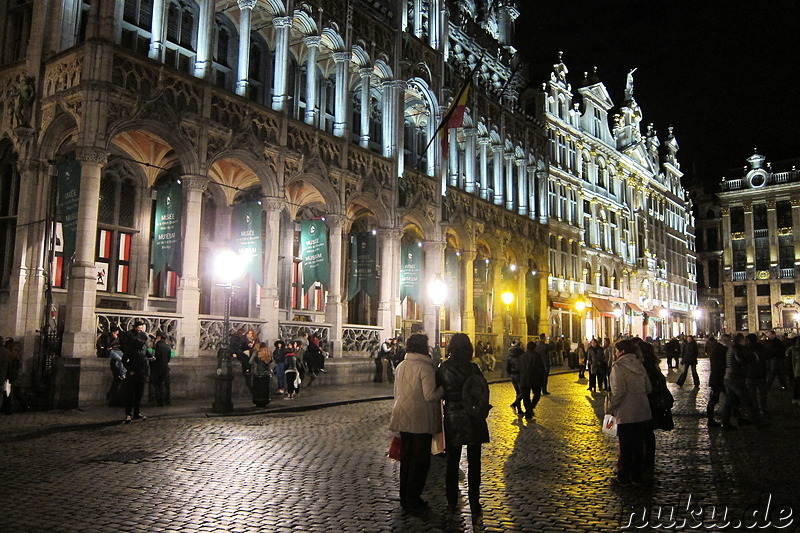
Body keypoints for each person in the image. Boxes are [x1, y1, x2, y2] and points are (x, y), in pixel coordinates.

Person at [388, 333, 444, 515]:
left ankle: (404, 496)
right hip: (421, 419)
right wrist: (444, 388)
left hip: (403, 416)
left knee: (407, 459)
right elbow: (430, 395)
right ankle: (414, 498)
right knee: (420, 462)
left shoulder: (402, 365)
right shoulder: (425, 368)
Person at [436, 333, 489, 523]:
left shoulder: (444, 367)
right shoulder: (473, 368)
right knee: (475, 464)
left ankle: (451, 502)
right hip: (473, 416)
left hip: (453, 418)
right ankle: (475, 503)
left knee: (452, 462)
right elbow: (482, 389)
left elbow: (439, 389)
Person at [606, 338, 652, 486]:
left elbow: (619, 391)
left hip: (626, 412)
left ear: (622, 352)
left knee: (625, 446)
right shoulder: (640, 365)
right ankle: (637, 476)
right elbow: (648, 388)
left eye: (617, 350)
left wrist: (611, 406)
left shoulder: (618, 367)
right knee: (638, 446)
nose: (615, 353)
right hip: (642, 411)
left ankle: (624, 477)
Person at [121, 323, 149, 423]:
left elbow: (146, 361)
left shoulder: (144, 348)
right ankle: (128, 413)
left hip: (141, 373)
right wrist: (130, 369)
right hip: (133, 373)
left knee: (138, 394)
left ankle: (137, 412)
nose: (144, 342)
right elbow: (124, 360)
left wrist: (146, 375)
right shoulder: (131, 347)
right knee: (130, 394)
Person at [517, 339, 546, 419]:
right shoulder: (537, 356)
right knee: (537, 394)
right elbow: (541, 369)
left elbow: (518, 368)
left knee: (526, 397)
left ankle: (528, 411)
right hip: (534, 379)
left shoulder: (522, 356)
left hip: (523, 379)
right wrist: (542, 379)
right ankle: (530, 409)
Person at [706, 334, 728, 427]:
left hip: (717, 378)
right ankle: (711, 420)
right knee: (714, 399)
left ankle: (734, 417)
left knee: (727, 397)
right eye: (729, 340)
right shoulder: (721, 349)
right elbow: (719, 365)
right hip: (718, 378)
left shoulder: (717, 348)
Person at [149, 331, 171, 407]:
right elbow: (168, 358)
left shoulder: (158, 346)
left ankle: (160, 401)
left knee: (157, 385)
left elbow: (156, 357)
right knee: (165, 384)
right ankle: (166, 400)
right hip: (165, 367)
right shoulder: (168, 346)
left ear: (159, 337)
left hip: (157, 368)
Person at [251, 342, 273, 407]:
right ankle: (265, 399)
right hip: (267, 372)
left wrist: (254, 353)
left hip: (259, 372)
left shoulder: (257, 353)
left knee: (259, 388)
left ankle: (259, 400)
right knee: (266, 388)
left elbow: (251, 361)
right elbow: (271, 361)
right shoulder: (269, 353)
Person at [506, 345, 523, 414]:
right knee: (522, 392)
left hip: (513, 375)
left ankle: (519, 409)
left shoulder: (509, 357)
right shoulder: (520, 357)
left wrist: (511, 374)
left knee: (518, 392)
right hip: (519, 375)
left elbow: (507, 368)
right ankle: (515, 404)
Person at [788, 337, 800, 405]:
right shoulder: (794, 350)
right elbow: (793, 361)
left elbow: (793, 361)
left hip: (797, 369)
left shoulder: (794, 350)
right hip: (797, 369)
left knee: (797, 385)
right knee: (797, 384)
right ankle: (796, 398)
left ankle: (795, 398)